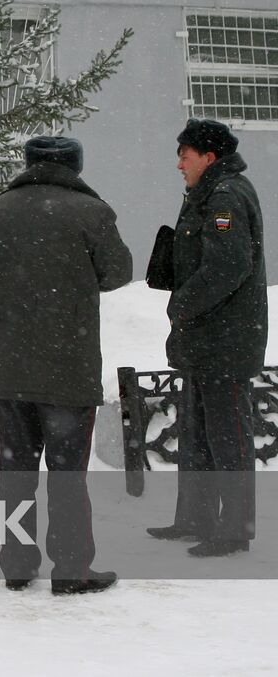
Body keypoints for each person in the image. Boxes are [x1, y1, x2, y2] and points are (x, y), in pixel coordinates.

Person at [0, 136, 132, 595]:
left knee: (16, 472)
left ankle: (17, 563)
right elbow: (118, 272)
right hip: (69, 365)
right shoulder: (91, 211)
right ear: (75, 166)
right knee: (67, 475)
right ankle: (71, 568)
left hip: (11, 367)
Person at [148, 118, 266, 557]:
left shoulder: (226, 195)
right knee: (198, 433)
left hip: (225, 340)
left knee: (227, 436)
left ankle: (234, 529)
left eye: (185, 154)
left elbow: (227, 266)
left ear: (209, 157)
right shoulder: (206, 194)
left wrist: (182, 304)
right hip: (207, 338)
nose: (179, 163)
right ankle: (196, 518)